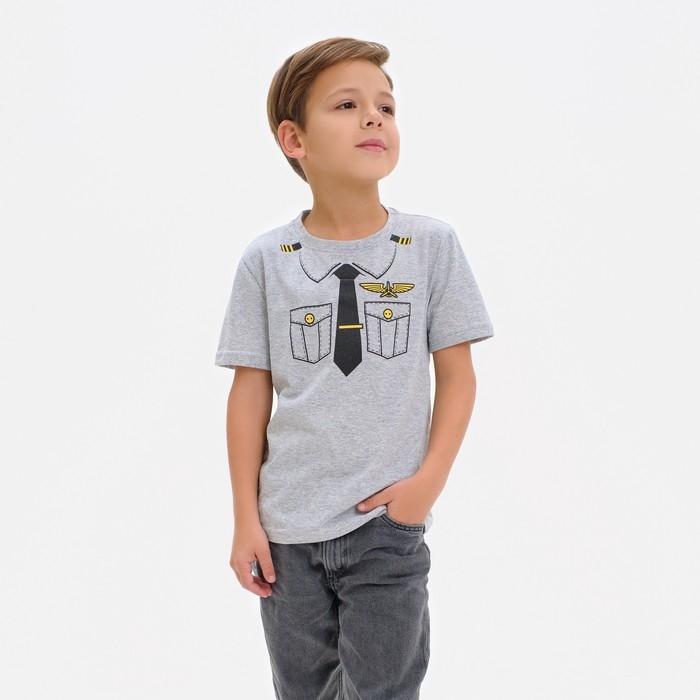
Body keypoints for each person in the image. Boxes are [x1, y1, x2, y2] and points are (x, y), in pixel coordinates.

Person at [215, 37, 494, 700]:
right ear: (295, 139)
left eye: (386, 107)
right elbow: (249, 395)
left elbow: (458, 377)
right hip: (287, 532)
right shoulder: (267, 259)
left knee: (385, 690)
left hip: (385, 528)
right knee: (303, 692)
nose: (374, 117)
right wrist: (246, 518)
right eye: (347, 105)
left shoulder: (430, 246)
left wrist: (425, 486)